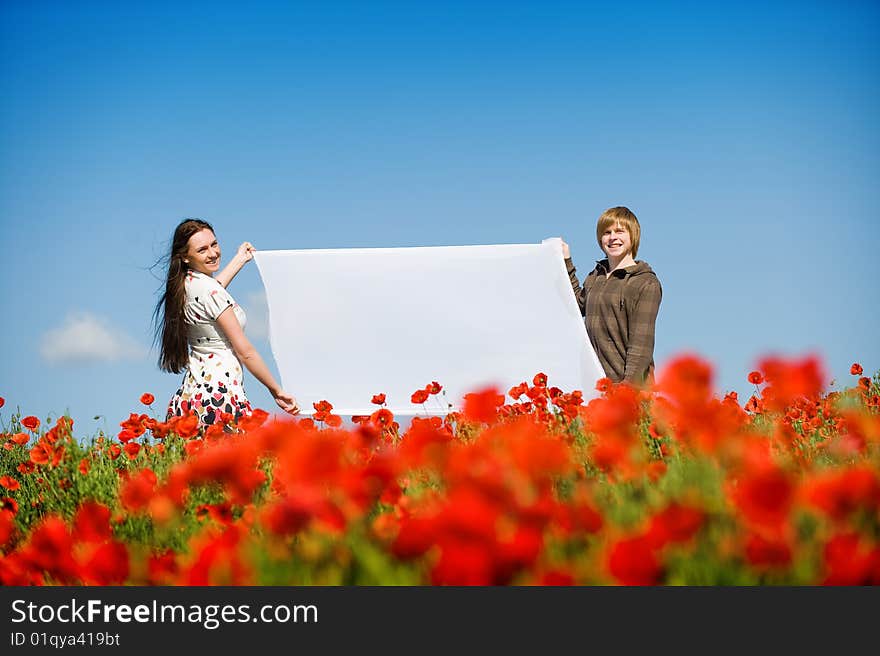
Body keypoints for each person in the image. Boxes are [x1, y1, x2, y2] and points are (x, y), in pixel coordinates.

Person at [153, 218, 299, 426]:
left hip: (190, 399)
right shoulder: (211, 292)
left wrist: (239, 259)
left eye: (214, 244)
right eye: (202, 250)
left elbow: (214, 290)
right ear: (185, 257)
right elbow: (245, 352)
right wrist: (276, 390)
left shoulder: (185, 285)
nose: (213, 253)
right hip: (220, 398)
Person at [561, 206, 662, 386]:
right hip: (597, 385)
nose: (612, 237)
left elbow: (641, 347)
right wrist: (565, 261)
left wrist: (626, 390)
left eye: (619, 231)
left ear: (633, 235)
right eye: (607, 232)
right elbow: (576, 305)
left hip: (630, 391)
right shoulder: (595, 277)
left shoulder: (645, 283)